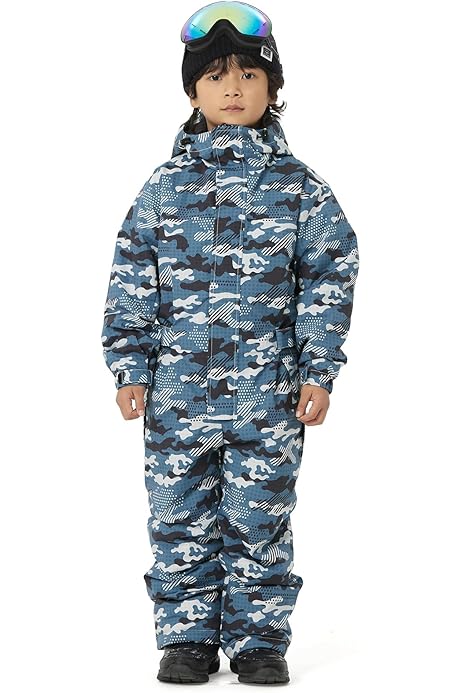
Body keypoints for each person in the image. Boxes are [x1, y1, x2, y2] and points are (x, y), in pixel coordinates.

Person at [101, 0, 360, 685]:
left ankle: (258, 640)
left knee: (260, 518)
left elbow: (330, 275)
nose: (234, 88)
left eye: (249, 74)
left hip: (267, 397)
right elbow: (132, 276)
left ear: (274, 88)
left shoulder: (300, 190)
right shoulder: (163, 189)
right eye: (216, 76)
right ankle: (186, 638)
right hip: (177, 397)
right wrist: (129, 366)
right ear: (193, 92)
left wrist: (319, 370)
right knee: (177, 517)